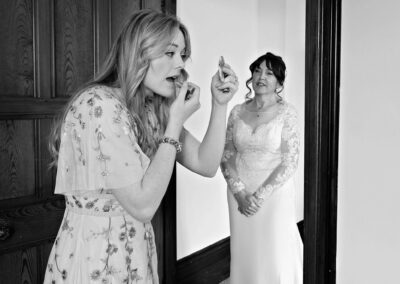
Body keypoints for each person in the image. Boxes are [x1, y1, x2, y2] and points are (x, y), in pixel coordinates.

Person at [44, 9, 238, 283]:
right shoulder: (97, 105)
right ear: (138, 54)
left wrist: (220, 104)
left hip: (135, 253)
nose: (181, 64)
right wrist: (175, 121)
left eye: (183, 55)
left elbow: (206, 165)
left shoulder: (150, 110)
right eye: (169, 53)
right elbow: (143, 206)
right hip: (95, 258)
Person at [220, 52, 302, 283]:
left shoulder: (287, 113)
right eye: (257, 70)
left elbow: (290, 161)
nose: (261, 76)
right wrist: (239, 192)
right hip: (239, 192)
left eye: (269, 72)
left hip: (274, 194)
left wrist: (258, 197)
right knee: (245, 248)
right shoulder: (237, 112)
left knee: (275, 250)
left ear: (280, 82)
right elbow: (227, 154)